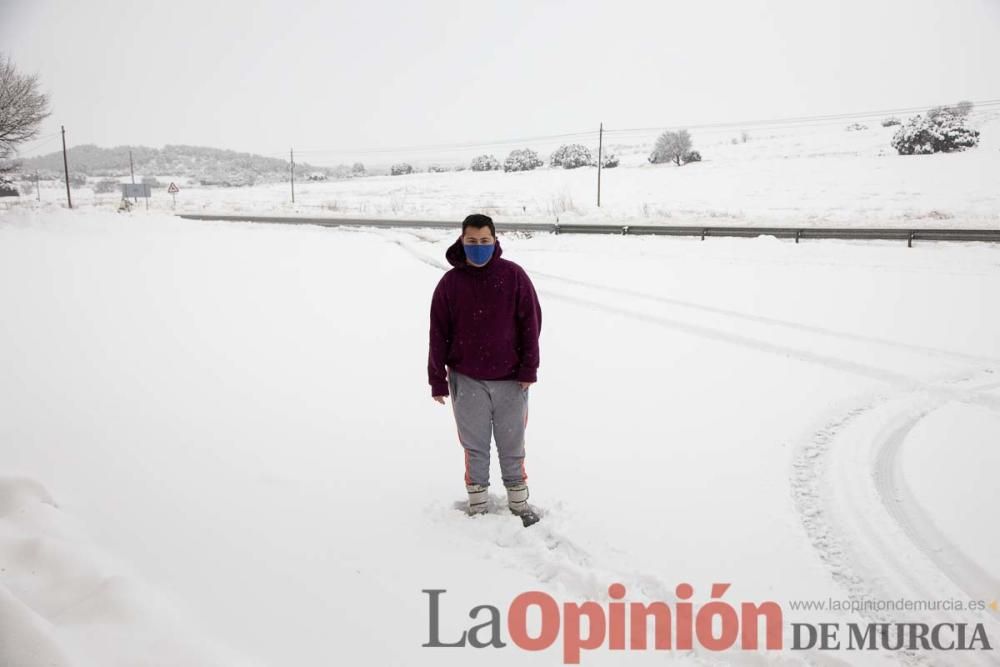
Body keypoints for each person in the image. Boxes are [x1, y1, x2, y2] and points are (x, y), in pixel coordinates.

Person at [428, 213, 543, 526]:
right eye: (471, 241)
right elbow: (438, 333)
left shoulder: (514, 276)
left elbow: (530, 325)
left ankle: (519, 503)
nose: (478, 247)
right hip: (467, 380)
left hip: (511, 380)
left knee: (512, 445)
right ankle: (477, 503)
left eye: (484, 241)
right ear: (462, 242)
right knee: (475, 446)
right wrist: (437, 378)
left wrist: (528, 369)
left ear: (495, 241)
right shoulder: (450, 284)